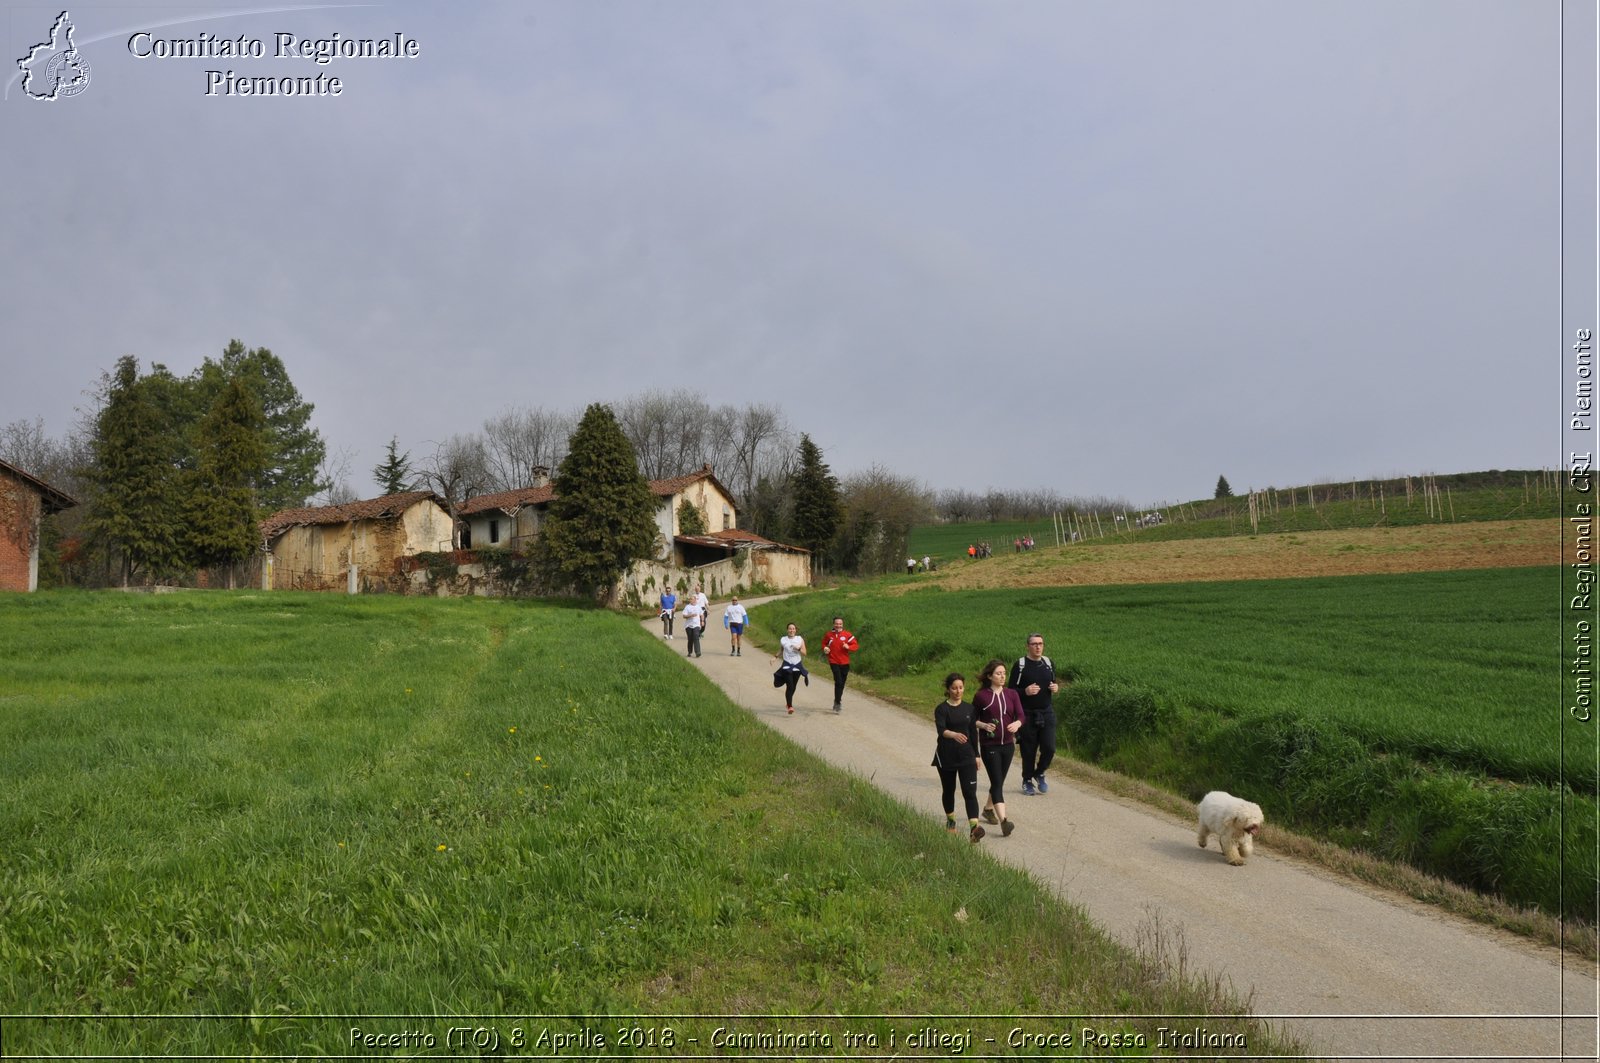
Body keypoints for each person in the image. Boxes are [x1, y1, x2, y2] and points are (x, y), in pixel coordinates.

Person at [973, 657, 1024, 837]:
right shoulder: (981, 696)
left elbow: (1021, 715)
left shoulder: (1012, 694)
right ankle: (1004, 821)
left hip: (1008, 745)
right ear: (989, 676)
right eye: (998, 673)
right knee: (997, 782)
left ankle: (988, 809)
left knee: (998, 781)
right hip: (990, 745)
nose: (1002, 676)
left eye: (1004, 673)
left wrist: (1017, 724)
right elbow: (972, 719)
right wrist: (984, 726)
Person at [933, 672, 984, 843]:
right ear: (948, 689)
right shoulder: (941, 709)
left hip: (967, 757)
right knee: (949, 790)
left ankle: (974, 829)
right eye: (954, 688)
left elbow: (973, 734)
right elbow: (941, 730)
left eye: (960, 688)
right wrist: (954, 734)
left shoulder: (970, 709)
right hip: (946, 756)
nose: (958, 691)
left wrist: (977, 755)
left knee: (970, 792)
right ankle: (951, 821)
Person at [1010, 633, 1060, 796]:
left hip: (1046, 712)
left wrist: (1055, 687)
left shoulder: (1048, 663)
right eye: (1034, 644)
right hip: (1027, 714)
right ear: (1028, 646)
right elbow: (1010, 692)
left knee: (1050, 747)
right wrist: (1025, 691)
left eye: (1040, 643)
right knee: (1028, 750)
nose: (1038, 647)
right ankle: (1027, 780)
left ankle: (1039, 773)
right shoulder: (1020, 665)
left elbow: (1052, 682)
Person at [821, 615, 859, 714]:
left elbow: (855, 645)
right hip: (833, 661)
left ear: (842, 624)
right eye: (837, 624)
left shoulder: (847, 635)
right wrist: (825, 648)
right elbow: (824, 643)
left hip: (845, 662)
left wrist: (848, 647)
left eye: (840, 624)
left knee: (842, 683)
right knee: (838, 681)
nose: (838, 625)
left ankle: (837, 700)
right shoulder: (829, 635)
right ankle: (838, 703)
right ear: (833, 624)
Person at [772, 622, 809, 714]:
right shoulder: (783, 639)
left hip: (797, 666)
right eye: (790, 629)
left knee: (793, 687)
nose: (791, 630)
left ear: (795, 630)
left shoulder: (799, 639)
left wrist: (799, 649)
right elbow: (781, 649)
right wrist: (775, 657)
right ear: (787, 630)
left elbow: (805, 653)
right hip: (787, 666)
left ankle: (788, 703)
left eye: (793, 629)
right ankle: (790, 706)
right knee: (790, 686)